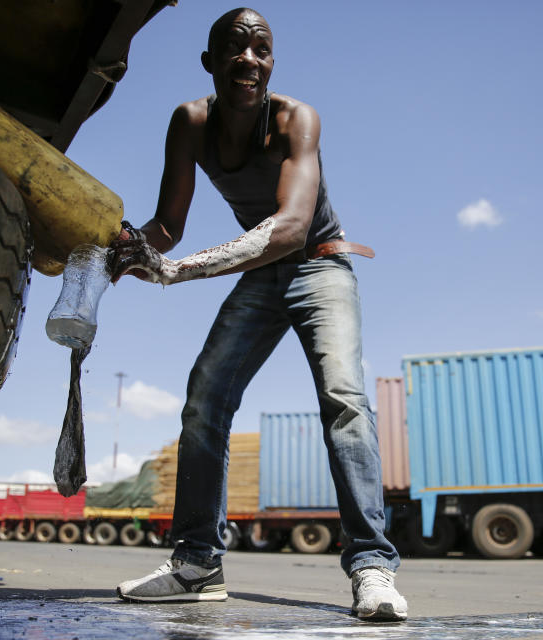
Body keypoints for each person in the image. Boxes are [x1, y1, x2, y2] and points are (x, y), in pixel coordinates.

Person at [110, 8, 407, 621]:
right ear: (210, 62)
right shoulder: (189, 122)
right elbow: (167, 227)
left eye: (262, 50)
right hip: (261, 268)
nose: (249, 60)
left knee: (344, 398)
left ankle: (373, 566)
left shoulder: (297, 118)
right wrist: (123, 247)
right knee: (204, 400)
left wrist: (179, 270)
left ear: (271, 61)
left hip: (320, 263)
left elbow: (292, 226)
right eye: (235, 49)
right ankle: (196, 564)